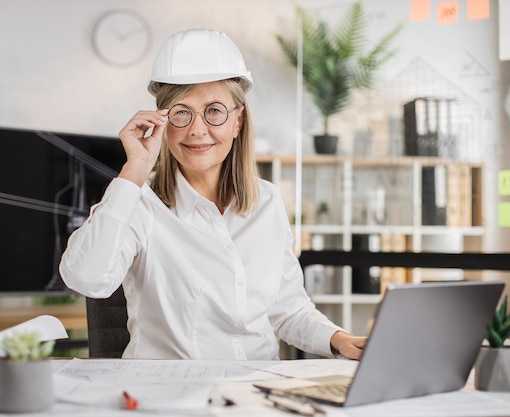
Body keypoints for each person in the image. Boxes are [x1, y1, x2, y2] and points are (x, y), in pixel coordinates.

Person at [59, 28, 366, 361]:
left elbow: (287, 307)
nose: (197, 129)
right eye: (181, 111)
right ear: (161, 120)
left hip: (257, 390)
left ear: (238, 121)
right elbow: (86, 278)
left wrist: (338, 339)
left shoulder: (266, 201)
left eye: (215, 111)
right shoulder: (141, 202)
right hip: (170, 396)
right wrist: (135, 168)